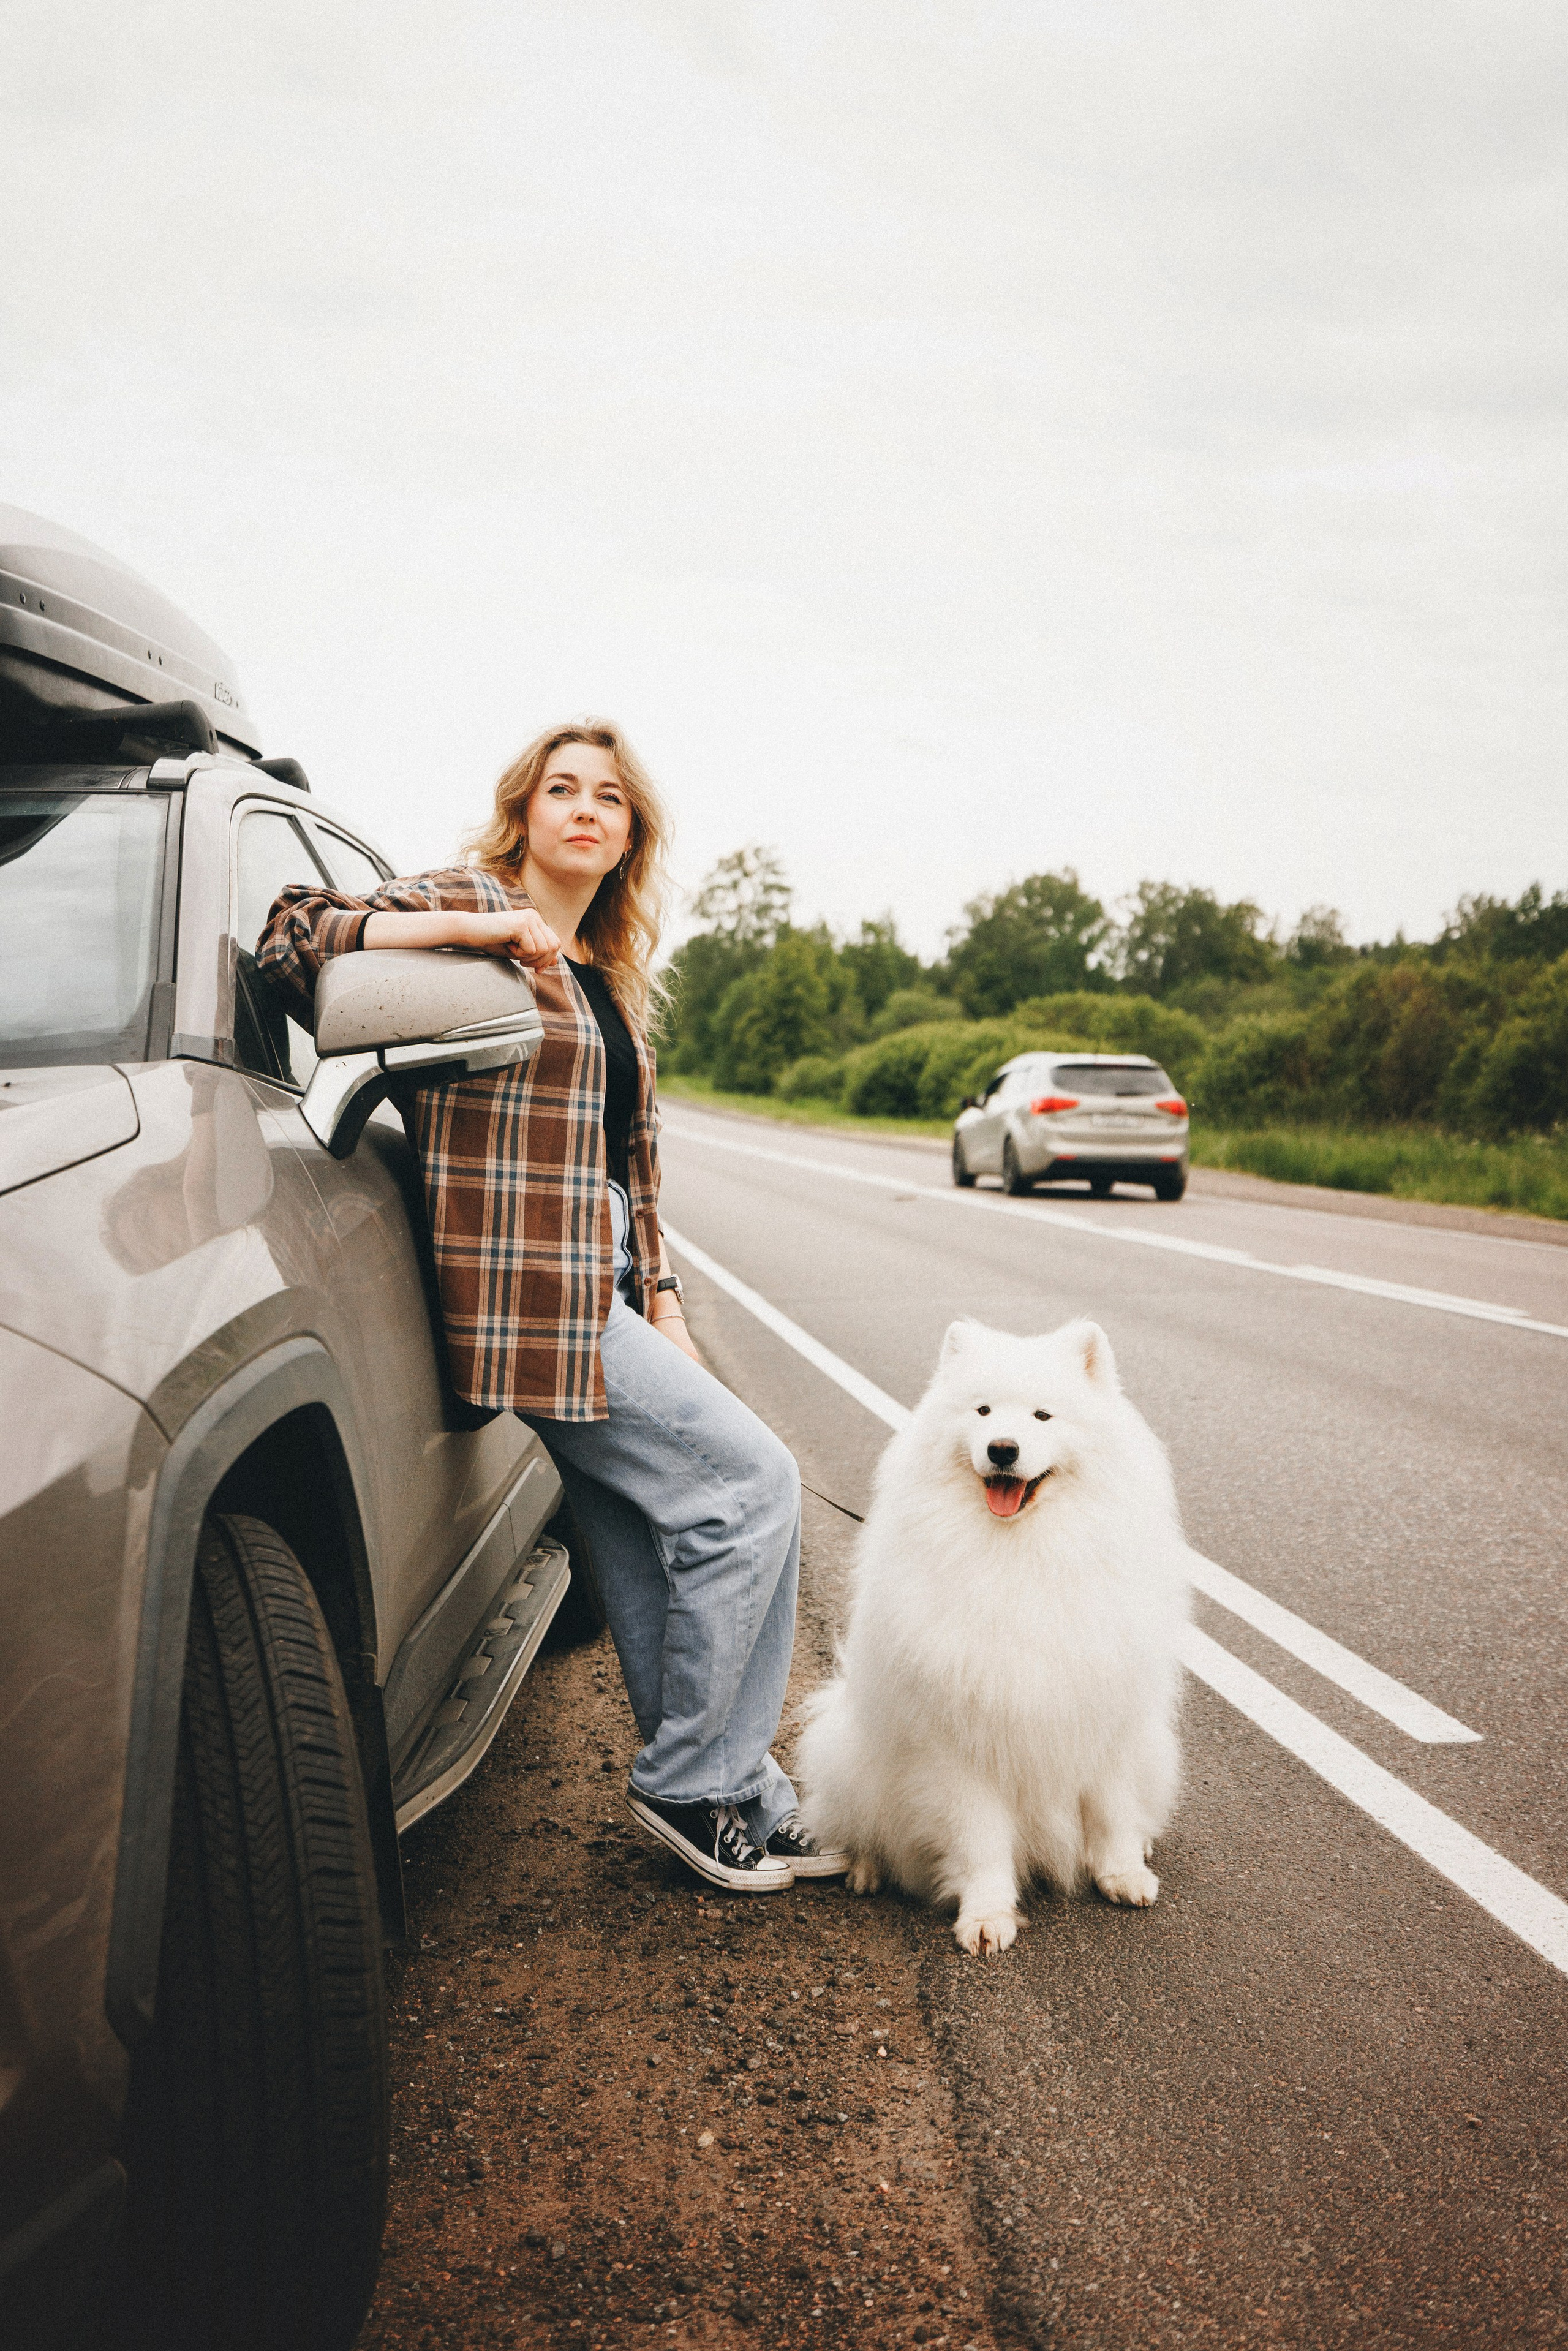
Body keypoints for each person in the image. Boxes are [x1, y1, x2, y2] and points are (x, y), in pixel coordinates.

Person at [258, 720, 845, 1893]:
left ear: (631, 834)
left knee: (639, 1534)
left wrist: (665, 1297)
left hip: (604, 1292)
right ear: (524, 811)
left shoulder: (611, 978)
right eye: (562, 790)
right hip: (528, 1296)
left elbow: (635, 1170)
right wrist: (476, 927)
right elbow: (289, 933)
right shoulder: (475, 906)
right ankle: (694, 1781)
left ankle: (742, 1790)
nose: (586, 810)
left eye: (611, 800)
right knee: (756, 1485)